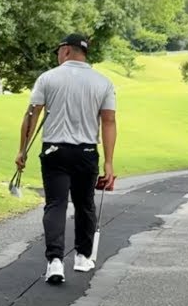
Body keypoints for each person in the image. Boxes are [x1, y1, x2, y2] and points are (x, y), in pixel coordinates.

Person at [15, 33, 117, 285]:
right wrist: (108, 162)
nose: (57, 56)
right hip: (86, 152)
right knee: (85, 204)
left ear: (66, 51)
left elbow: (32, 115)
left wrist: (22, 150)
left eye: (58, 51)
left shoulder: (48, 78)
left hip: (55, 151)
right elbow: (109, 121)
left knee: (56, 204)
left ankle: (55, 262)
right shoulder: (103, 82)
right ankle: (82, 256)